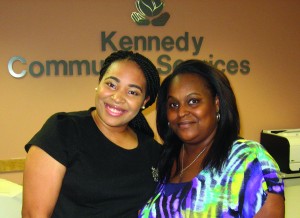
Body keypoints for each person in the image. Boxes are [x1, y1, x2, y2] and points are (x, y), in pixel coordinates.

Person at [22, 50, 161, 217]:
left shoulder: (152, 151)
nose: (117, 97)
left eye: (132, 92)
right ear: (99, 84)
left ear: (145, 101)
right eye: (111, 84)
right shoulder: (64, 130)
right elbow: (34, 214)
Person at [139, 59, 285, 217]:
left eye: (193, 101)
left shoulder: (249, 160)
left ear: (216, 103)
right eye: (173, 105)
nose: (181, 112)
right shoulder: (163, 159)